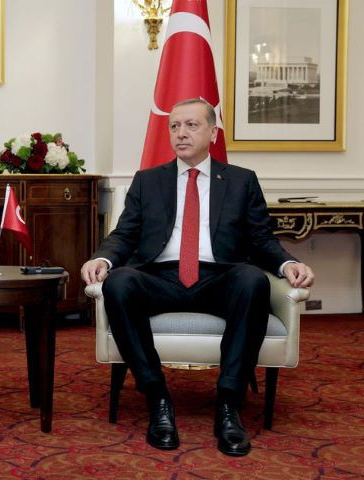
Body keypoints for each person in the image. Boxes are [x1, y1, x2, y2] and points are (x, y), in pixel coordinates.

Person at [81, 98, 314, 457]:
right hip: (161, 276)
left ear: (212, 132)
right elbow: (124, 234)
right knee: (119, 283)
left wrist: (288, 264)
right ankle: (158, 398)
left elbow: (261, 238)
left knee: (253, 280)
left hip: (218, 278)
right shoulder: (148, 181)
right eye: (174, 126)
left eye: (191, 125)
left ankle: (228, 405)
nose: (181, 133)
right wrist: (103, 258)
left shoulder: (241, 181)